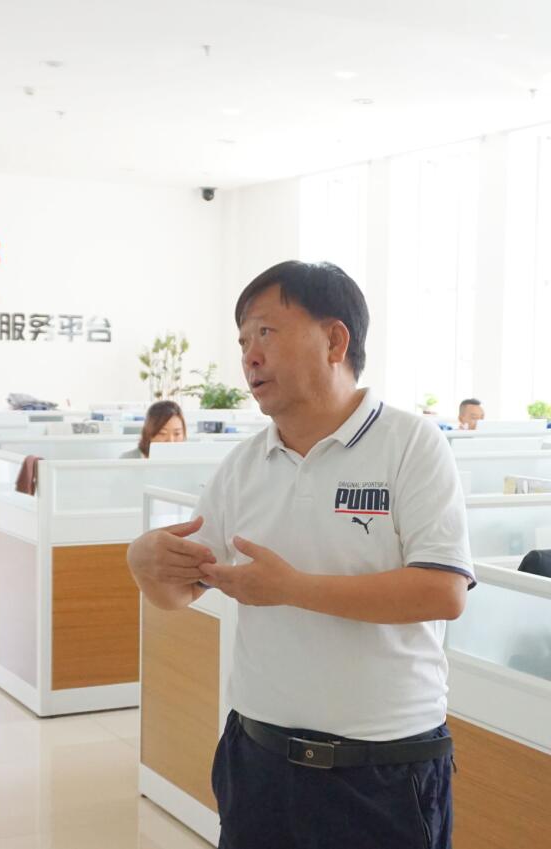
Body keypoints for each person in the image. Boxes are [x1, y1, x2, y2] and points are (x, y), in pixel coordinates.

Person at [127, 260, 474, 849]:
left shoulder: (412, 444)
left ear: (335, 340)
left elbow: (442, 592)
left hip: (385, 770)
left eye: (266, 332)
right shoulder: (244, 465)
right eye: (242, 341)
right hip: (259, 762)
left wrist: (291, 589)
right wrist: (144, 566)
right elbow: (180, 591)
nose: (250, 356)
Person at [119, 400, 187, 458]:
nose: (171, 441)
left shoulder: (188, 459)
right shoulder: (128, 460)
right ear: (149, 433)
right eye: (162, 433)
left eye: (177, 434)